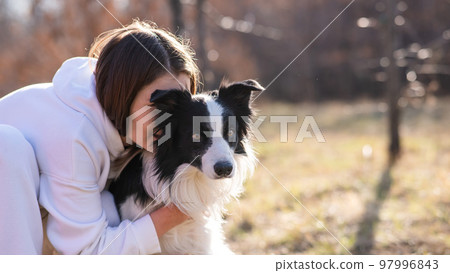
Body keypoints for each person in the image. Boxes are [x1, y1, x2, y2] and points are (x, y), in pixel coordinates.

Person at [0, 20, 198, 254]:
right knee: (6, 144)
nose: (173, 121)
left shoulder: (129, 130)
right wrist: (180, 211)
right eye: (161, 104)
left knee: (108, 206)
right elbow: (89, 252)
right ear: (124, 91)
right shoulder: (73, 134)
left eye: (181, 105)